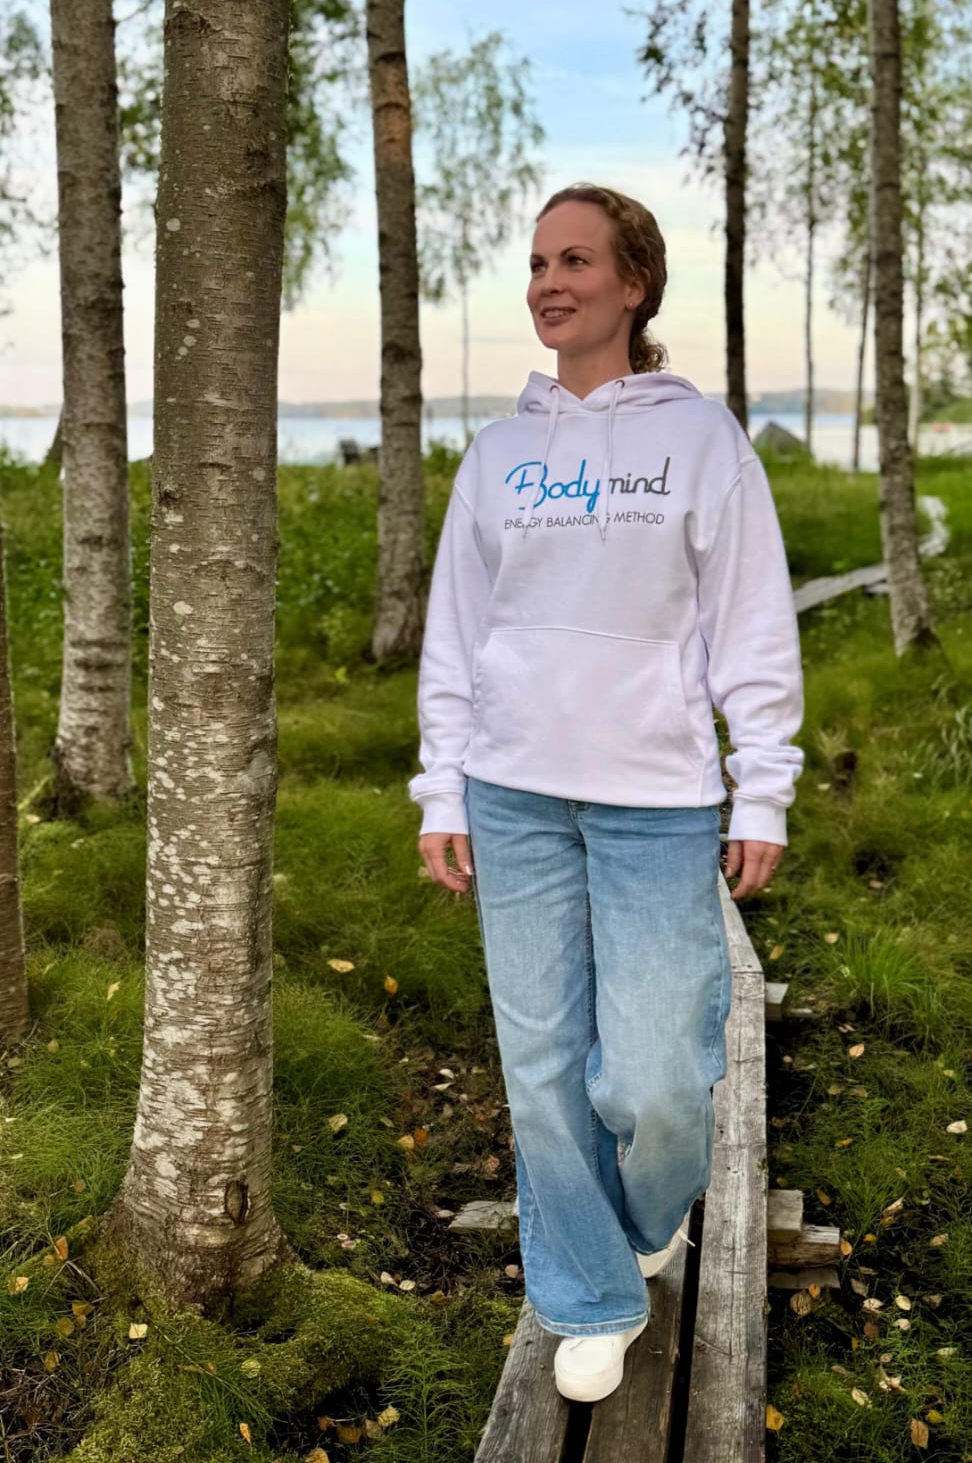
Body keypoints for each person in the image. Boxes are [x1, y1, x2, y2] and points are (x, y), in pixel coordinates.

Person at [408, 182, 804, 1404]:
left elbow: (751, 620)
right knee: (539, 1064)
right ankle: (587, 1291)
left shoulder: (702, 441)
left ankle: (649, 1208)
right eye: (538, 263)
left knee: (653, 1078)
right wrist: (442, 787)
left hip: (655, 798)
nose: (549, 283)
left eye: (575, 260)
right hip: (512, 791)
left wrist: (764, 786)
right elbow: (456, 633)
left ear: (634, 284)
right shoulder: (499, 454)